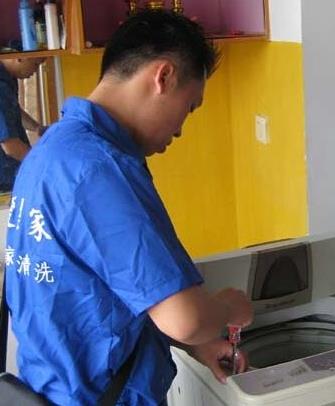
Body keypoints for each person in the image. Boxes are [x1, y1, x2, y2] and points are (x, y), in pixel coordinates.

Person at [4, 10, 253, 405]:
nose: (180, 129)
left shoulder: (54, 150)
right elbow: (186, 318)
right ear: (163, 76)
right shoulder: (98, 170)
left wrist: (198, 346)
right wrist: (228, 307)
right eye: (189, 107)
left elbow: (113, 292)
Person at [0, 57, 46, 193]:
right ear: (20, 58)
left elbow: (12, 110)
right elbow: (11, 146)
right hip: (5, 178)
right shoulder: (1, 87)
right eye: (36, 64)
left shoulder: (8, 78)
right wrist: (43, 164)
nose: (35, 70)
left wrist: (37, 127)